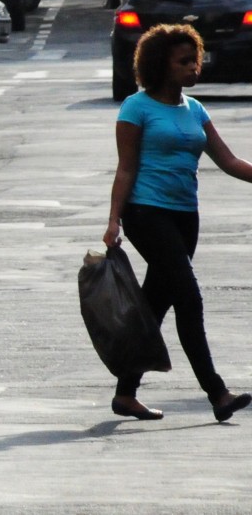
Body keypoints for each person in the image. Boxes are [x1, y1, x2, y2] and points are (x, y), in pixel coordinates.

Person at [103, 23, 252, 422]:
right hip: (145, 213)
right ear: (160, 65)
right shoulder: (137, 107)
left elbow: (230, 161)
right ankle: (217, 393)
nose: (193, 68)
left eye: (195, 60)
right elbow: (126, 168)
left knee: (155, 305)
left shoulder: (196, 110)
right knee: (189, 297)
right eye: (183, 62)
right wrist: (114, 220)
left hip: (185, 216)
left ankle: (126, 393)